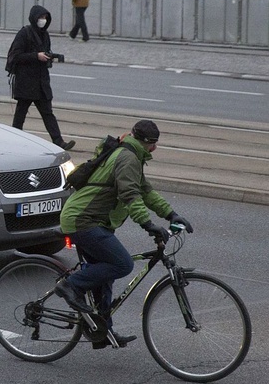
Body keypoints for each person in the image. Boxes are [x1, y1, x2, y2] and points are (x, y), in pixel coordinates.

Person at [55, 120, 194, 348]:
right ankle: (70, 286)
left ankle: (102, 330)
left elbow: (145, 191)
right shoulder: (128, 157)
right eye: (152, 144)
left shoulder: (131, 155)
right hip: (82, 220)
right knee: (122, 264)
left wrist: (171, 214)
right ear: (143, 142)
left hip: (93, 220)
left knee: (104, 275)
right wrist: (148, 225)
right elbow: (130, 195)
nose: (155, 149)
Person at [5, 5, 75, 151]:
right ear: (34, 18)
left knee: (47, 113)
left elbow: (45, 52)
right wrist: (36, 56)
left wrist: (52, 56)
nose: (43, 20)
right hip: (26, 82)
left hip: (41, 82)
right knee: (20, 114)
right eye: (41, 18)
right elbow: (16, 56)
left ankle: (59, 141)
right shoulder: (24, 33)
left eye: (45, 18)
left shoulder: (45, 34)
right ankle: (13, 140)